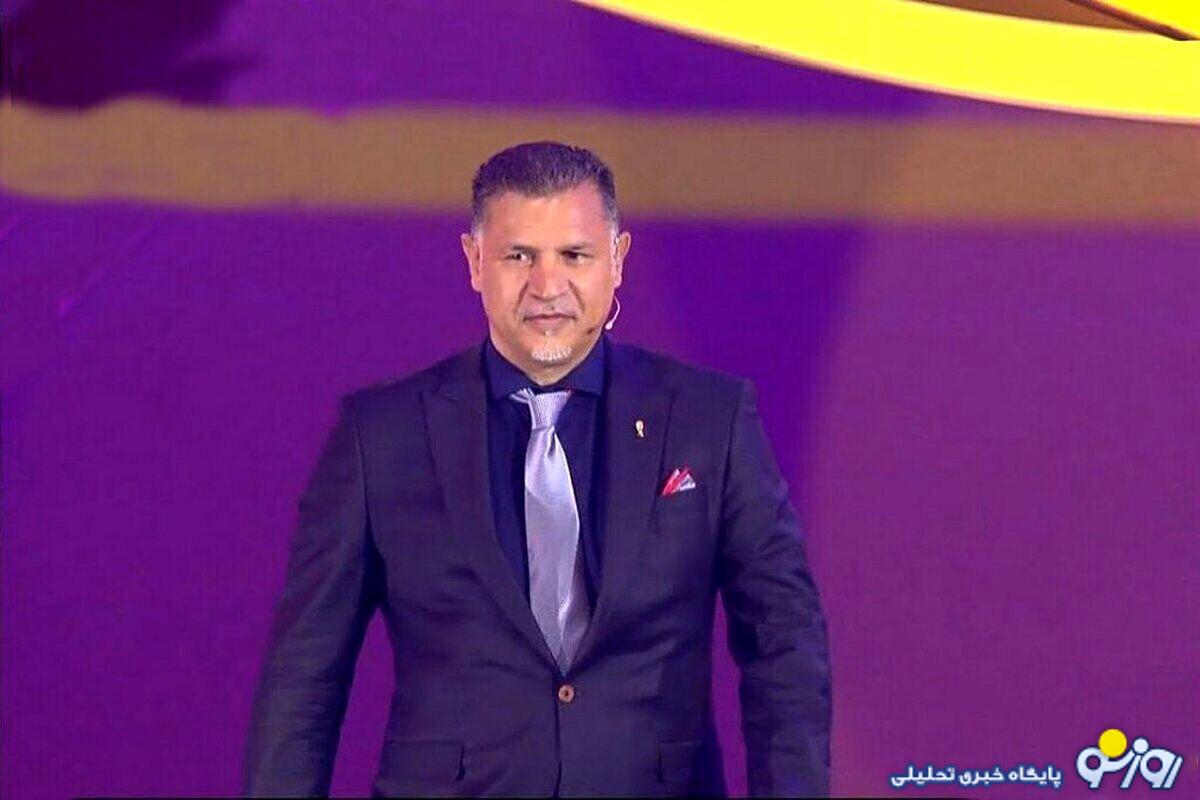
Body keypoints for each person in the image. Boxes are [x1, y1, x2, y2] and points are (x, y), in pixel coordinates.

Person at [242, 141, 831, 797]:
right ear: (474, 261)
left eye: (574, 255)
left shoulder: (709, 418)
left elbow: (784, 641)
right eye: (518, 255)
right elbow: (306, 670)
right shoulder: (379, 434)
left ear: (617, 259)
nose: (547, 287)